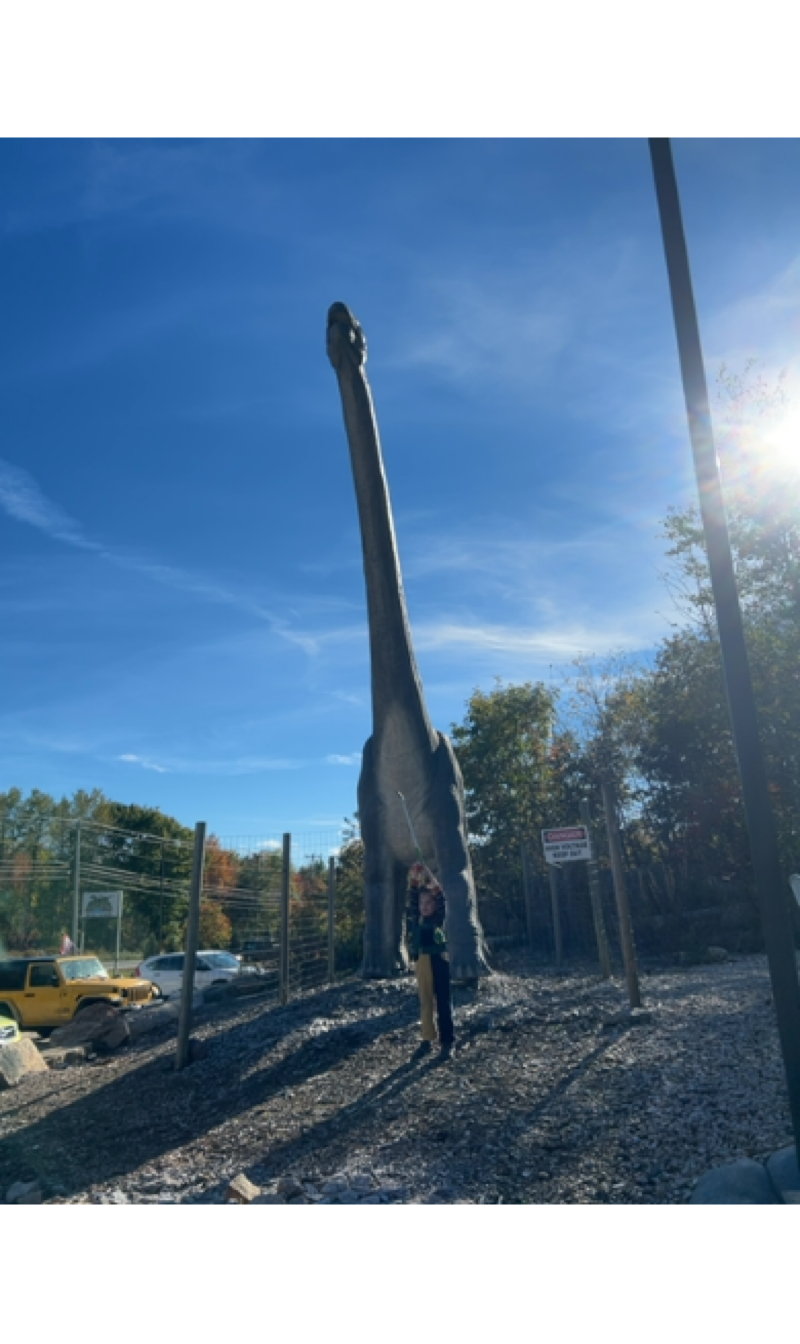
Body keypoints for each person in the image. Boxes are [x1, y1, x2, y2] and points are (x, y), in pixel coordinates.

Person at [408, 863, 456, 1063]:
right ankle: (427, 1038)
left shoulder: (438, 918)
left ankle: (447, 1042)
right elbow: (411, 899)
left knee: (443, 1001)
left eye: (429, 902)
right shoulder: (415, 918)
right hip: (422, 963)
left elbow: (441, 896)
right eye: (422, 903)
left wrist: (429, 874)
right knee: (426, 1001)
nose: (424, 906)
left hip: (440, 961)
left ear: (435, 905)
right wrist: (414, 878)